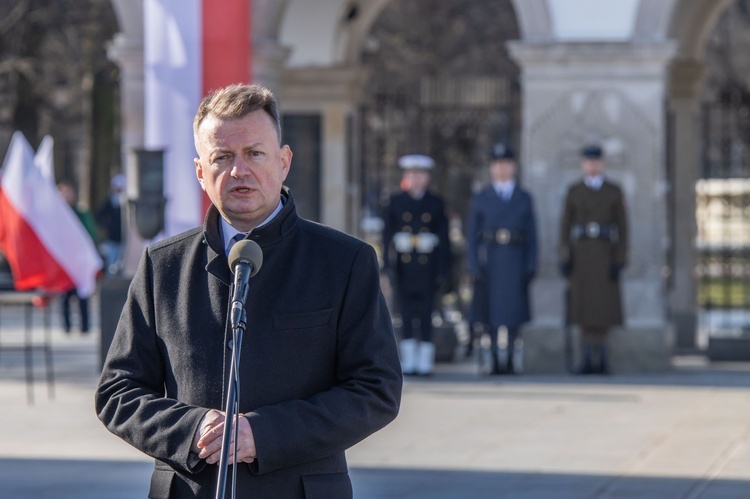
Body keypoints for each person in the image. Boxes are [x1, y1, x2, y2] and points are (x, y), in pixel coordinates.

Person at [95, 84, 402, 498]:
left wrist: (263, 433)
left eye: (254, 153)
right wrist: (191, 430)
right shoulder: (162, 266)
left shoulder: (345, 262)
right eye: (222, 157)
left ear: (283, 161)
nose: (239, 170)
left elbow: (375, 389)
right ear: (201, 172)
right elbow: (118, 391)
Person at [466, 143, 537, 374]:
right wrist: (473, 264)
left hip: (515, 258)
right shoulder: (483, 197)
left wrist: (531, 264)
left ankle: (512, 359)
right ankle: (495, 358)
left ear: (513, 167)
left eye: (506, 164)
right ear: (491, 168)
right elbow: (472, 235)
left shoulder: (523, 197)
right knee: (490, 313)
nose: (502, 168)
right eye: (497, 164)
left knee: (514, 313)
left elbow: (533, 235)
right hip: (491, 260)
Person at [559, 144, 628, 374]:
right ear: (582, 164)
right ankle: (586, 357)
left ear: (602, 163)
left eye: (596, 161)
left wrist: (620, 259)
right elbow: (565, 226)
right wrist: (564, 256)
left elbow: (623, 228)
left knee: (604, 310)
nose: (592, 165)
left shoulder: (613, 191)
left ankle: (603, 358)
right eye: (588, 161)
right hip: (582, 255)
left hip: (605, 254)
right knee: (584, 309)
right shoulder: (574, 191)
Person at [382, 154, 451, 376]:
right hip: (404, 267)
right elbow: (387, 236)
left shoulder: (436, 203)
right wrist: (388, 263)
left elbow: (444, 239)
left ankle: (425, 361)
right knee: (406, 313)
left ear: (427, 178)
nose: (416, 178)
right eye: (411, 174)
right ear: (405, 177)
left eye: (420, 174)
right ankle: (409, 359)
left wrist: (442, 269)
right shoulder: (396, 201)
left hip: (427, 267)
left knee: (426, 314)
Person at [58, 180, 98, 333]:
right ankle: (66, 327)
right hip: (64, 263)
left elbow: (91, 234)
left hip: (79, 262)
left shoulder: (81, 213)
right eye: (63, 192)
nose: (67, 195)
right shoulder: (55, 215)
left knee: (83, 294)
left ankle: (85, 327)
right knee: (65, 297)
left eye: (69, 192)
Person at [96, 173, 125, 275]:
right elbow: (100, 217)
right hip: (112, 239)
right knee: (111, 266)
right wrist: (109, 225)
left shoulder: (126, 204)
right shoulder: (109, 202)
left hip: (125, 240)